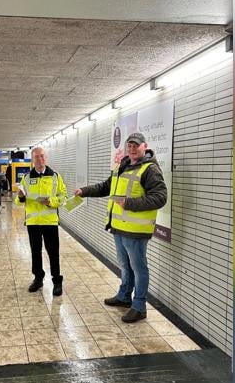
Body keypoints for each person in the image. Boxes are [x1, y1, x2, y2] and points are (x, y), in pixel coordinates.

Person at [74, 133, 167, 322]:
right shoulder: (123, 165)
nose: (132, 148)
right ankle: (124, 296)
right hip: (118, 227)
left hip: (136, 231)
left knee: (139, 268)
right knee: (125, 265)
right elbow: (105, 187)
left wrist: (129, 203)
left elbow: (160, 197)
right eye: (129, 145)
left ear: (145, 147)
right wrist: (84, 191)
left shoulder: (150, 170)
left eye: (136, 145)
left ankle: (139, 306)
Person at [15, 147, 68, 296]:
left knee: (53, 252)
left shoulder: (55, 177)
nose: (40, 159)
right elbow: (18, 202)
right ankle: (38, 278)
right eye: (36, 157)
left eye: (42, 156)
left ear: (46, 158)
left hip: (50, 222)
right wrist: (20, 197)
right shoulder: (26, 178)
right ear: (32, 160)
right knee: (35, 252)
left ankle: (57, 281)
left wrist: (51, 201)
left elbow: (63, 197)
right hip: (33, 223)